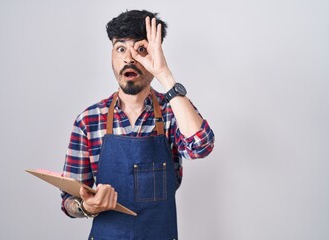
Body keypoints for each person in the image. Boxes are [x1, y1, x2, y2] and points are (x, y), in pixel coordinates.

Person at [61, 9, 214, 240]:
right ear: (111, 55)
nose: (129, 59)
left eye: (141, 49)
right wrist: (85, 207)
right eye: (120, 48)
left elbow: (201, 146)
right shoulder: (88, 120)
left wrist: (164, 74)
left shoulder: (173, 110)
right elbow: (69, 201)